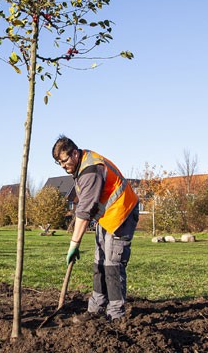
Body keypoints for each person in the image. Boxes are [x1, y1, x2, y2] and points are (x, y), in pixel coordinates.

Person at [52, 136, 139, 323]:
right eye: (59, 163)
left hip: (121, 214)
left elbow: (83, 213)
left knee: (112, 264)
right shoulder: (82, 164)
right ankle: (96, 308)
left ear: (74, 153)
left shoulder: (90, 170)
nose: (63, 166)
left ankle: (116, 314)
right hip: (106, 217)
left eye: (65, 161)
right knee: (99, 262)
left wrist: (74, 244)